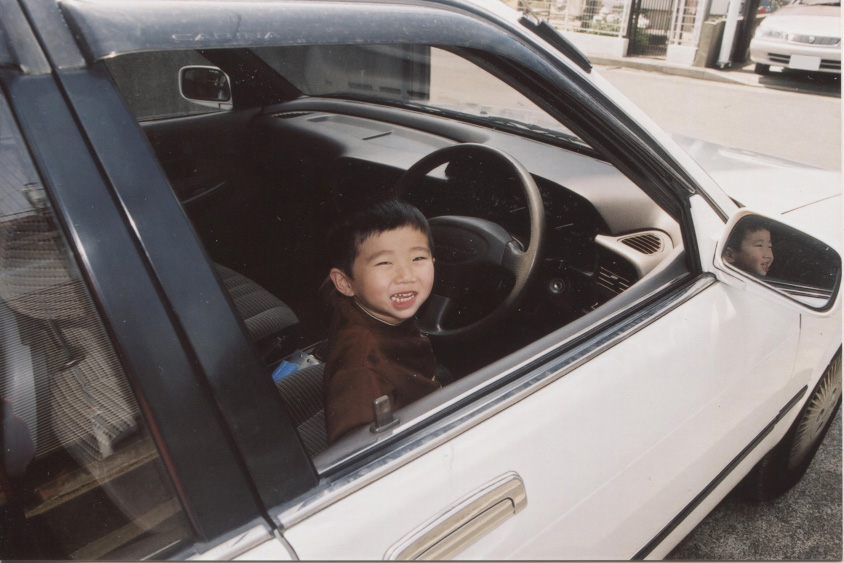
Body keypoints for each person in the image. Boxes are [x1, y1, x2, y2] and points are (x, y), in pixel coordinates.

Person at [323, 199, 441, 444]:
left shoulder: (370, 306)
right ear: (345, 283)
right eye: (384, 263)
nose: (406, 276)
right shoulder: (363, 369)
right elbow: (356, 447)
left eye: (418, 258)